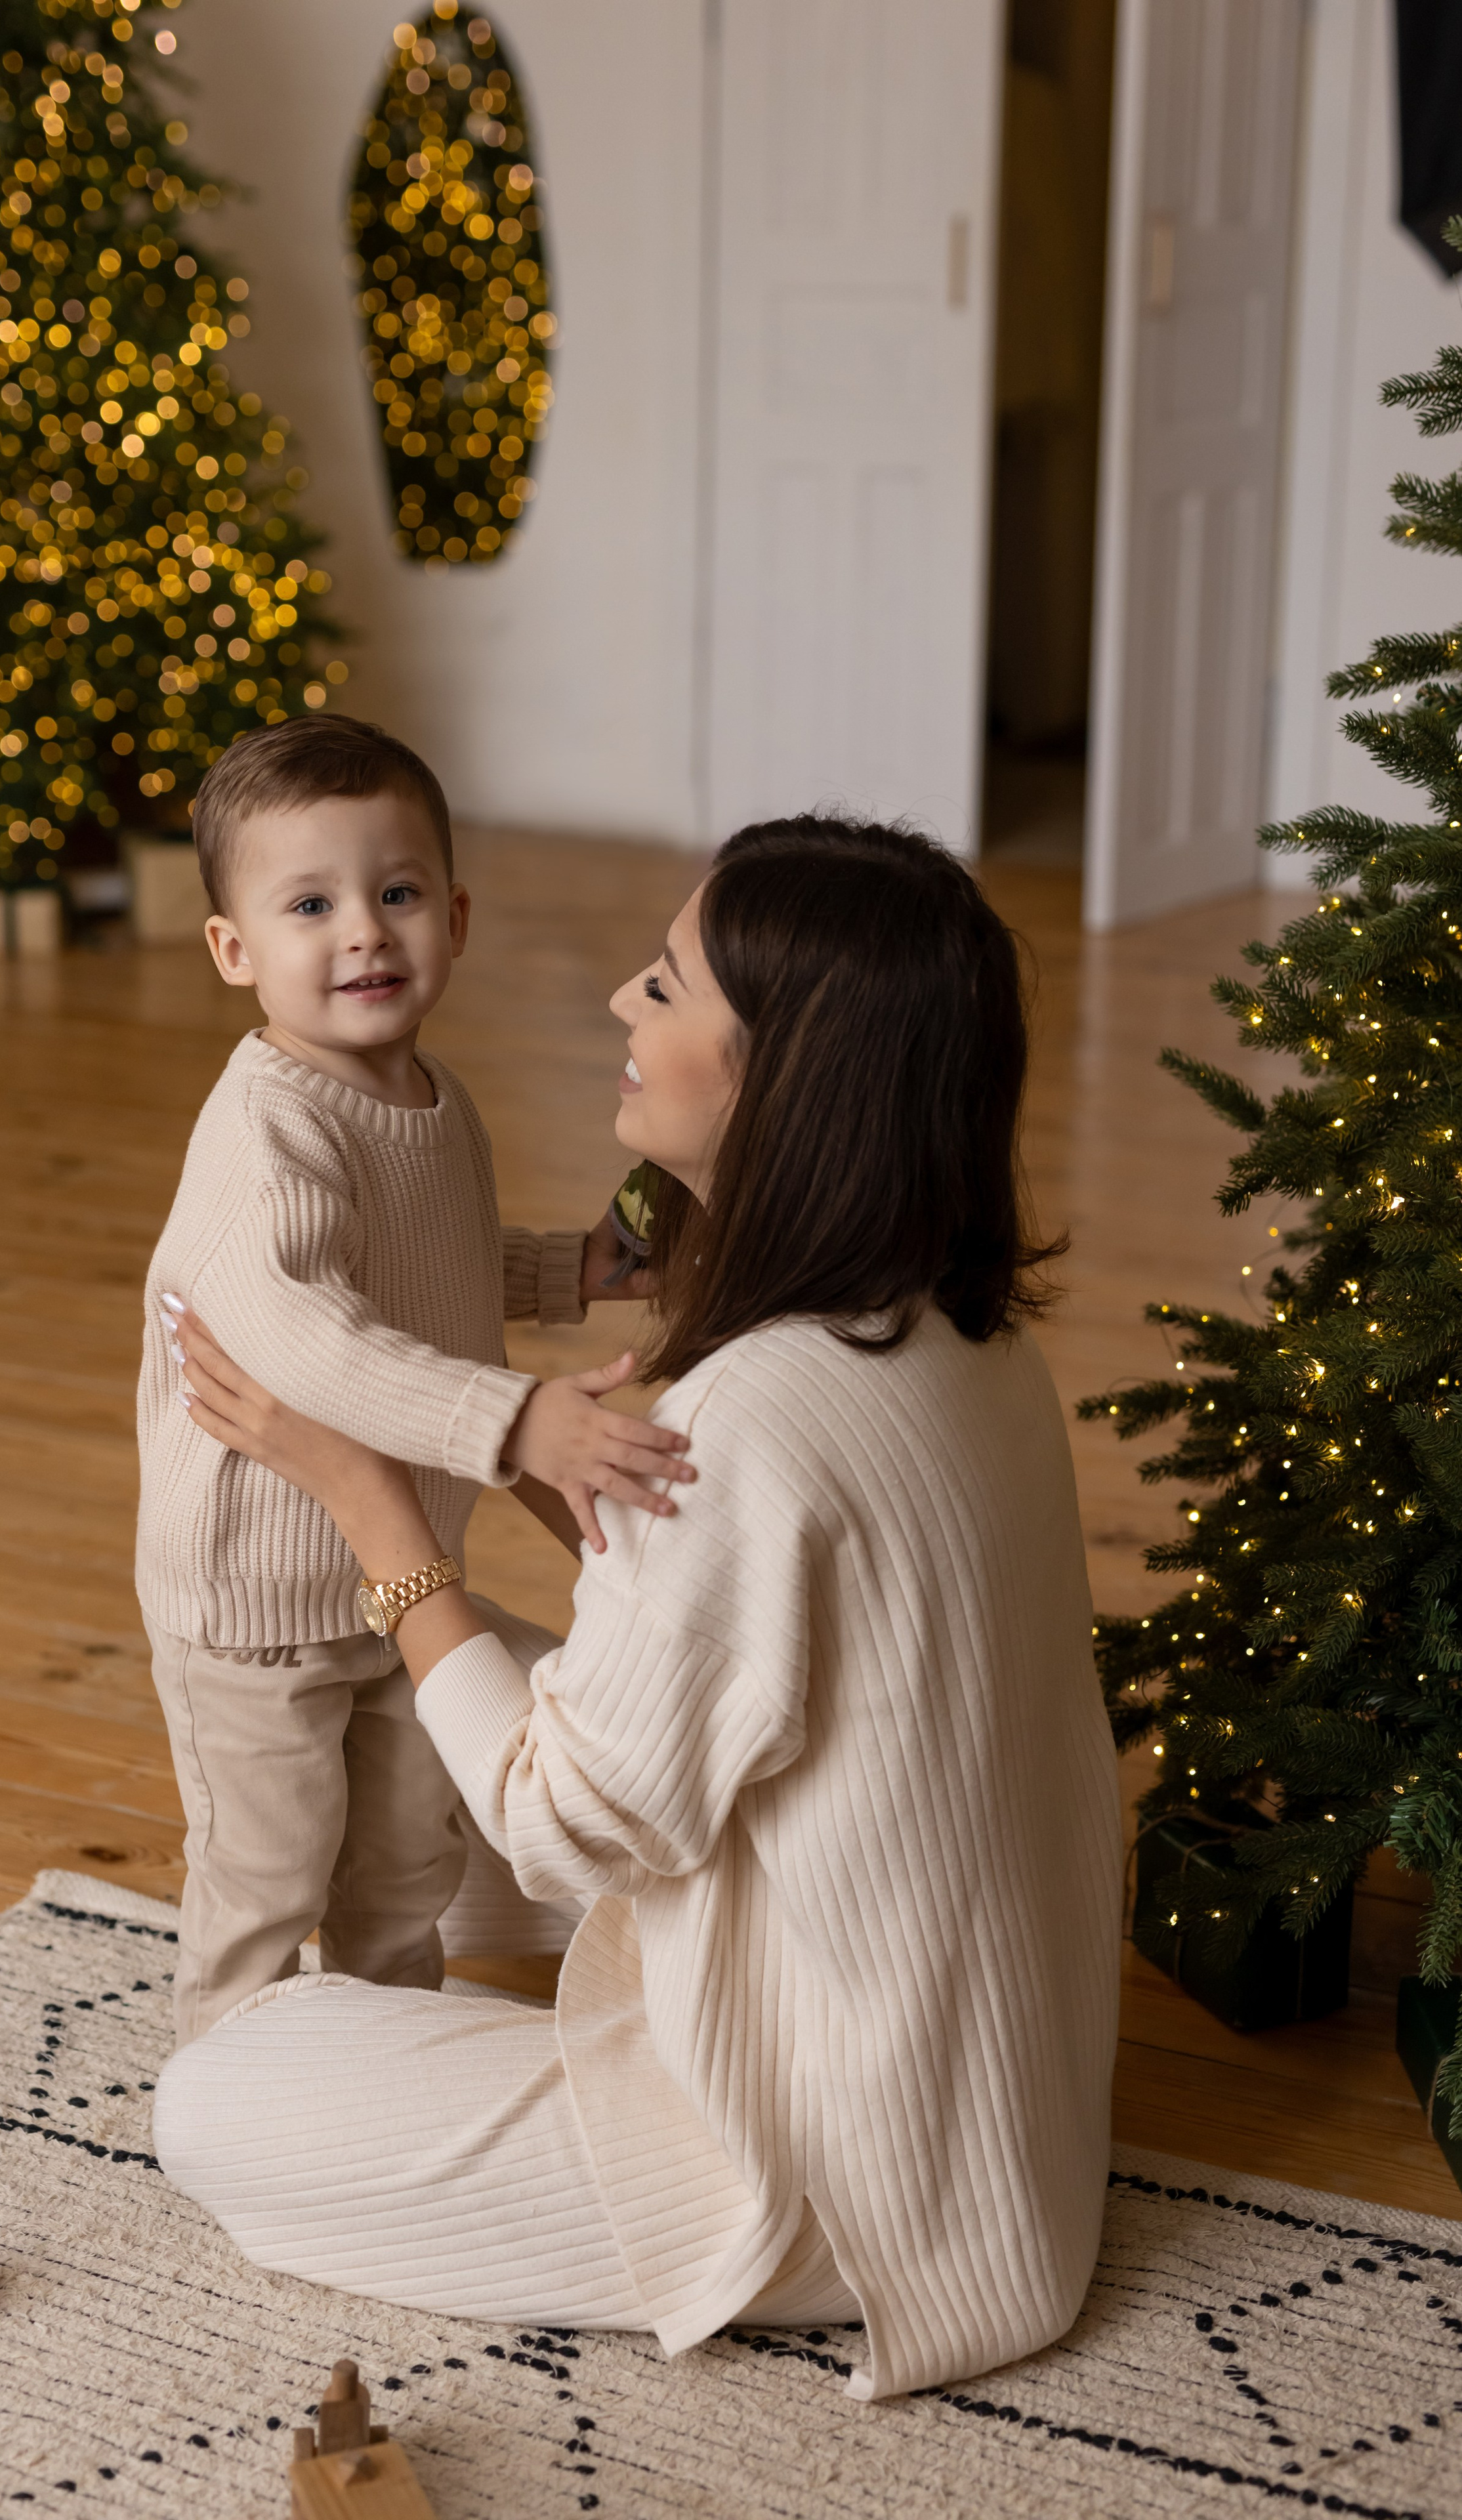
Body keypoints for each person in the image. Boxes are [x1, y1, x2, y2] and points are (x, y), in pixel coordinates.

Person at [154, 812, 1124, 2403]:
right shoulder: (955, 1333)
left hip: (828, 2178)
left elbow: (563, 1828)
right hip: (970, 2077)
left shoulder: (767, 1405)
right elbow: (736, 1639)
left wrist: (372, 1505)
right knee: (381, 1802)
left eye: (665, 989)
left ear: (773, 1081)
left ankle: (668, 2176)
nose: (620, 999)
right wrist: (534, 1476)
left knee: (217, 2092)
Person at [137, 715, 693, 2044]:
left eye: (394, 896)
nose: (362, 935)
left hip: (396, 1576)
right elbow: (308, 1338)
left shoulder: (428, 1095)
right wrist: (511, 1423)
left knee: (401, 1869)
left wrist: (569, 1272)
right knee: (266, 1884)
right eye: (310, 905)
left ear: (452, 912)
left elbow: (418, 1261)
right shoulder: (270, 1141)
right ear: (234, 950)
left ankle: (375, 2070)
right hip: (256, 1601)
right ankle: (232, 2097)